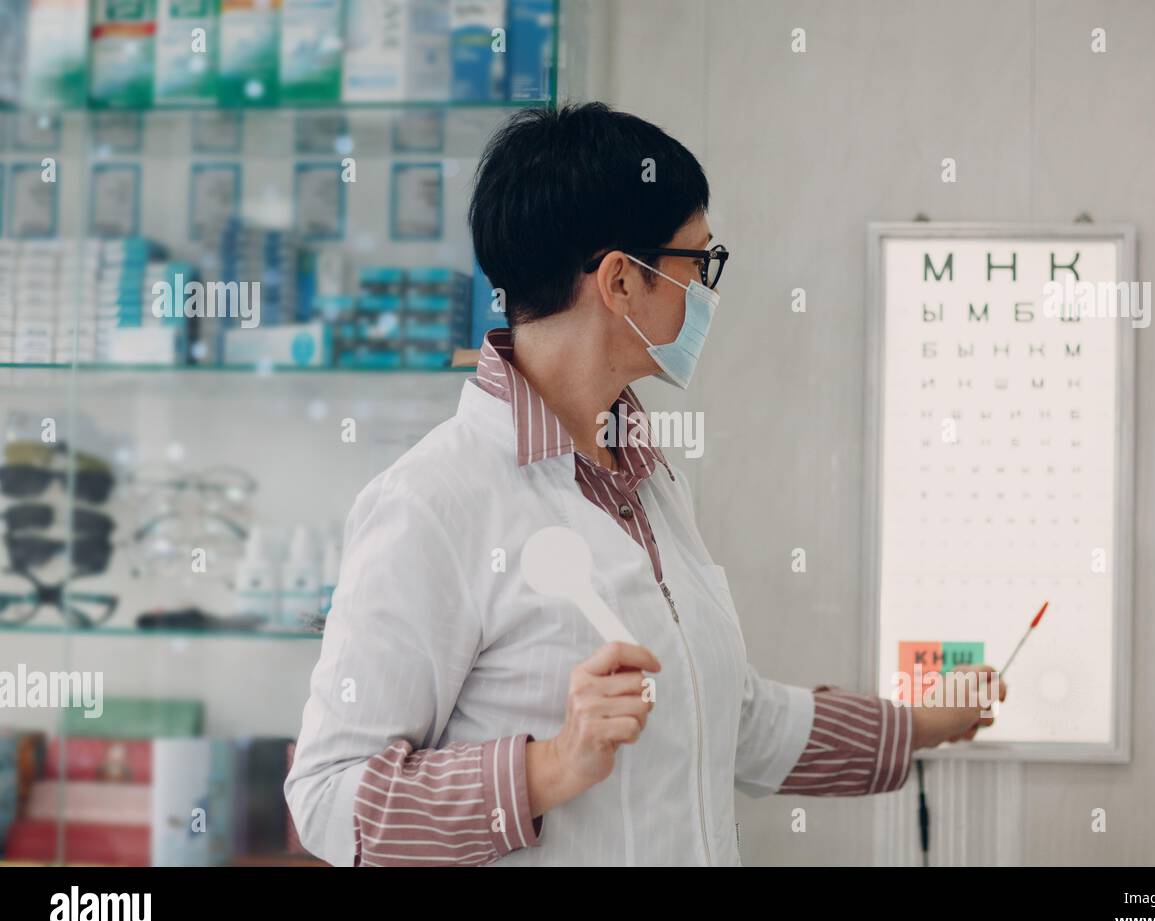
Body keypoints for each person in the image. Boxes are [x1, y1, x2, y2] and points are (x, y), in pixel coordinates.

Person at [285, 102, 1006, 866]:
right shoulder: (432, 503)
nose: (707, 291)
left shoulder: (649, 481)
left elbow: (734, 719)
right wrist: (550, 766)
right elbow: (328, 802)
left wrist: (926, 724)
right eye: (699, 262)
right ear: (622, 280)